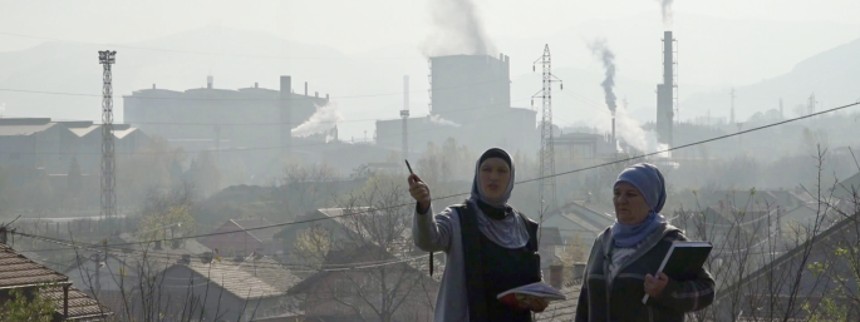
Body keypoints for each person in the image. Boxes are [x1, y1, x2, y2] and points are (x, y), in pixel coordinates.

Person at [408, 147, 549, 322]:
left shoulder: (523, 226)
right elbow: (428, 240)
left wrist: (539, 299)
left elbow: (534, 281)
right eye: (487, 169)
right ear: (477, 174)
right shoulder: (458, 218)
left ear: (511, 178)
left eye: (502, 171)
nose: (494, 177)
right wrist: (424, 205)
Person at [574, 163, 715, 322]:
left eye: (631, 194)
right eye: (617, 193)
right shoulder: (603, 241)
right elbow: (584, 303)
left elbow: (707, 290)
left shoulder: (669, 241)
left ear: (650, 200)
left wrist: (667, 291)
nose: (621, 200)